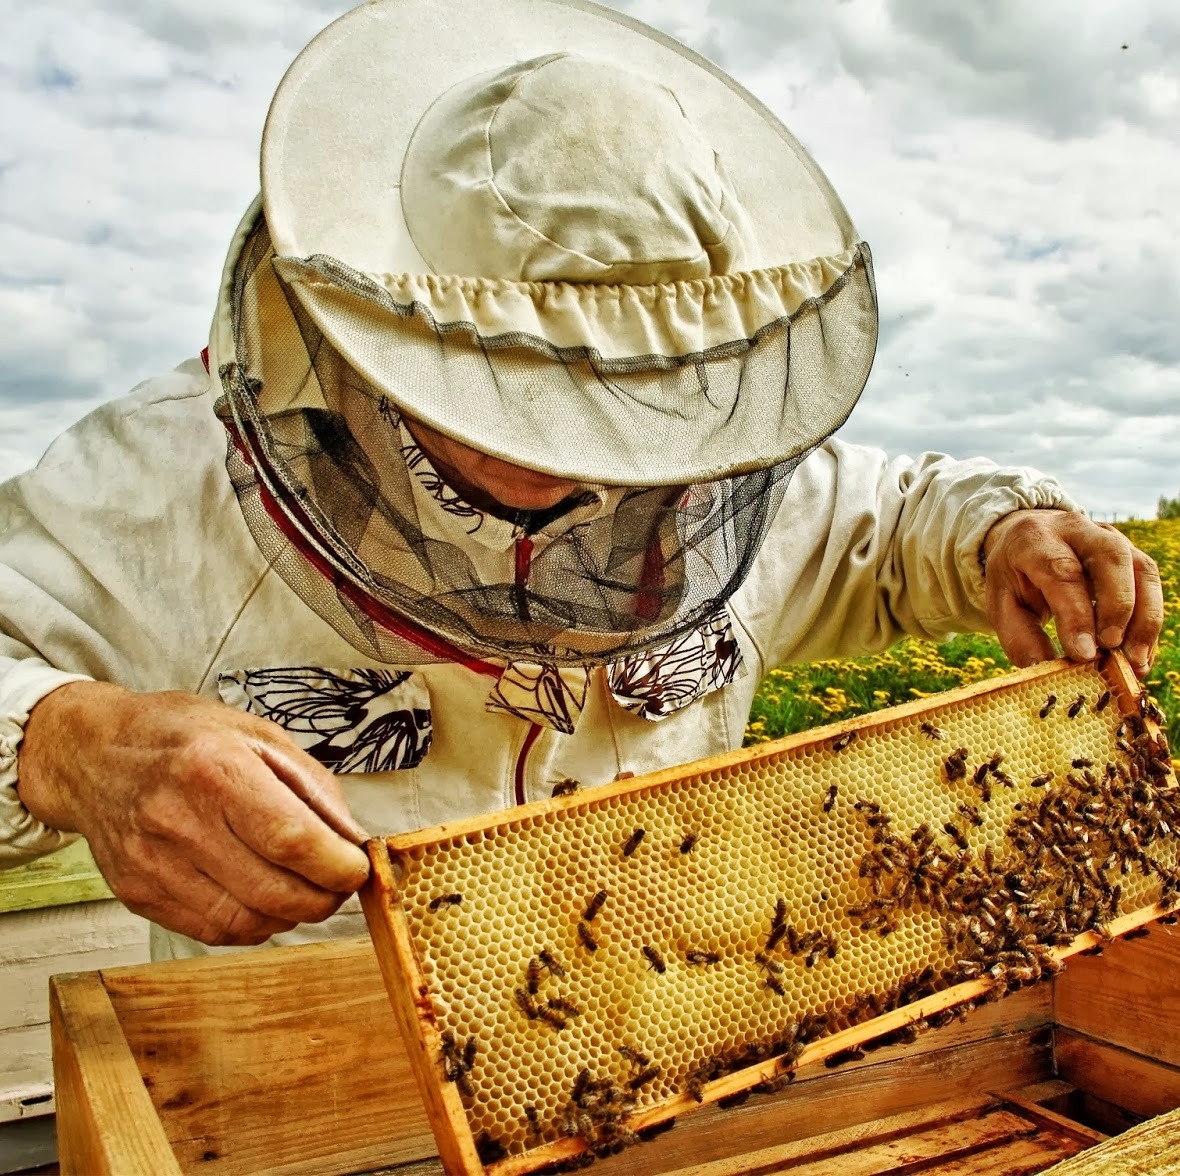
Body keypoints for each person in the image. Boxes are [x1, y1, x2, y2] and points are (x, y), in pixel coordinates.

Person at [0, 0, 1162, 960]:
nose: (585, 463)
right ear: (383, 337)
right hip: (305, 1096)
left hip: (658, 1058)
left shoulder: (718, 480)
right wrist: (68, 741)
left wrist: (1008, 530)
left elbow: (898, 518)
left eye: (630, 399)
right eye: (524, 396)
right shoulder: (150, 478)